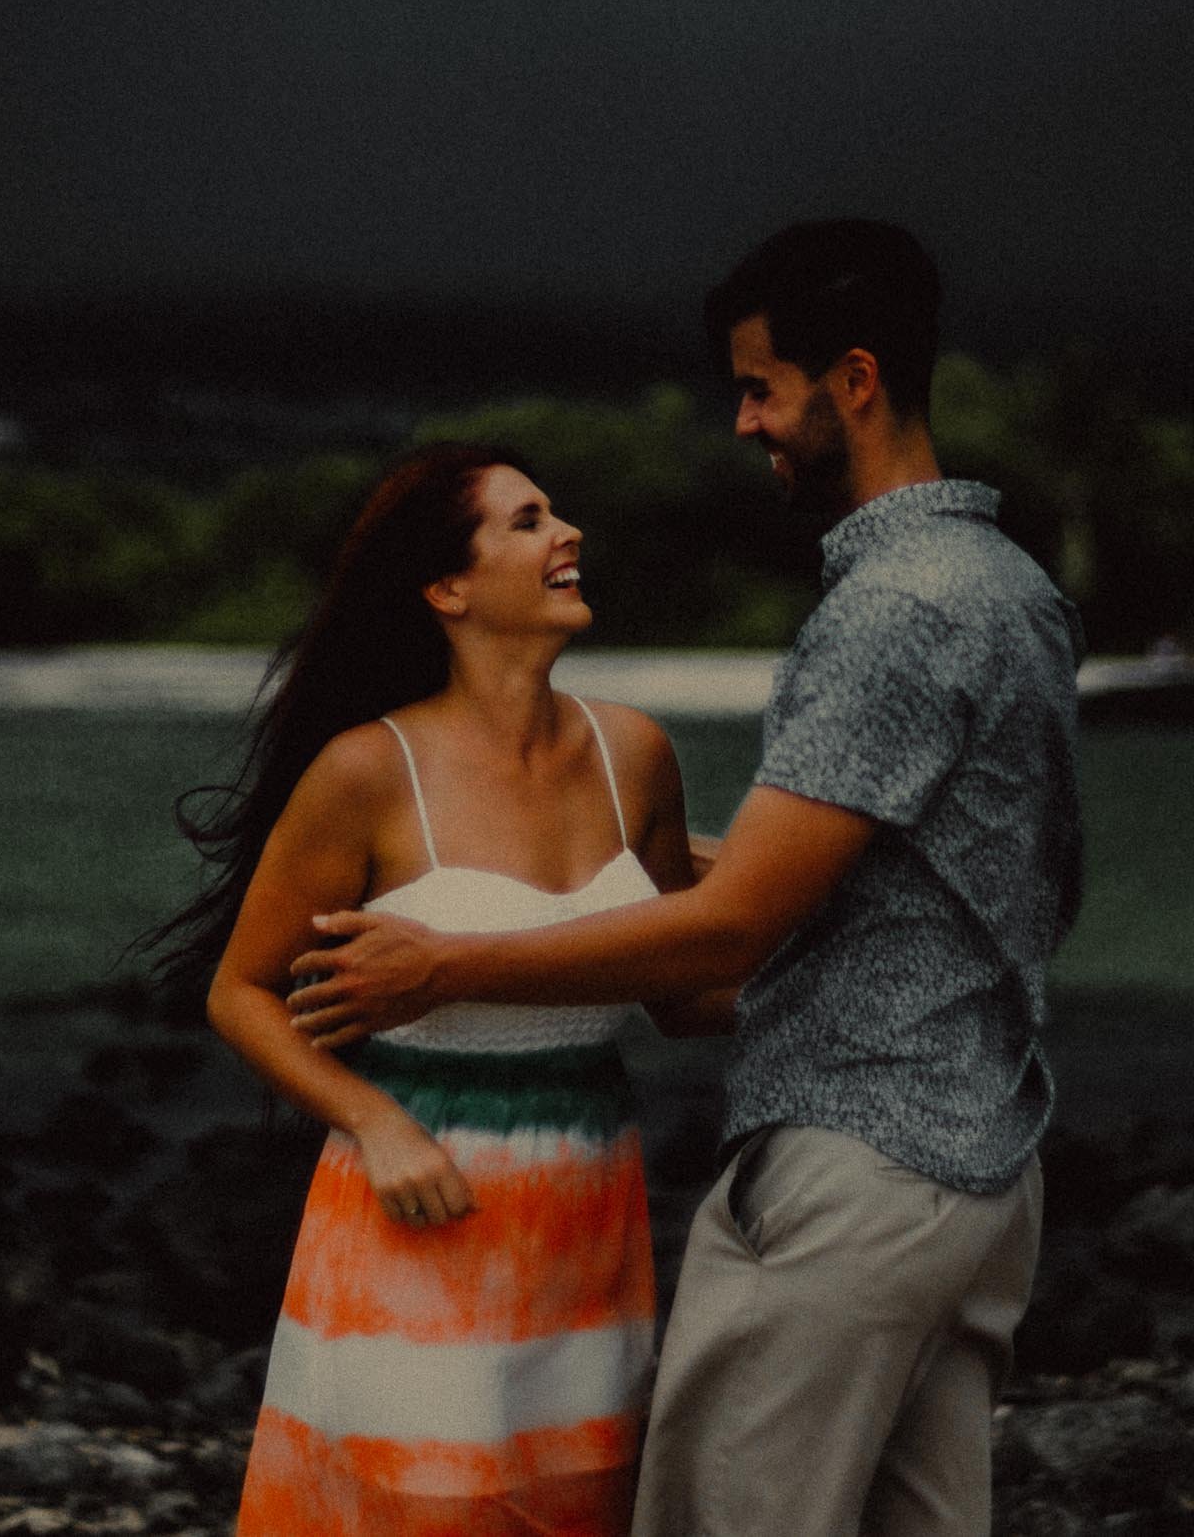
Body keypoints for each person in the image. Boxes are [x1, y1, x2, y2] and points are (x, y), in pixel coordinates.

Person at [289, 221, 1084, 1537]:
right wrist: (574, 864)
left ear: (858, 382)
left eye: (763, 388)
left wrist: (446, 963)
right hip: (985, 1179)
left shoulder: (892, 611)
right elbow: (946, 876)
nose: (743, 423)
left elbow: (728, 927)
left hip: (859, 1171)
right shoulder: (1013, 590)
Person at [147, 440, 728, 1537]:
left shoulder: (634, 755)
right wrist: (372, 1120)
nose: (567, 534)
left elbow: (684, 988)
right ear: (447, 588)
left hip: (588, 1210)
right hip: (416, 1212)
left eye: (553, 512)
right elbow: (238, 991)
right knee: (424, 1510)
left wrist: (874, 971)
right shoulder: (367, 771)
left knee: (577, 1509)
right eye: (525, 520)